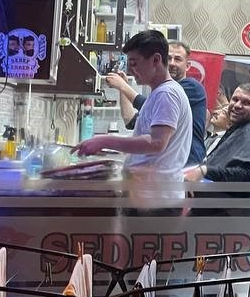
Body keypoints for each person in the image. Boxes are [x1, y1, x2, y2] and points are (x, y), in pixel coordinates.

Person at [76, 30, 191, 201]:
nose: (130, 70)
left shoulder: (167, 94)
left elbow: (156, 143)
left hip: (156, 199)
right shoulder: (159, 92)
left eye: (134, 63)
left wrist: (104, 141)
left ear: (156, 60)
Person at [183, 84, 250, 216]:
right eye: (235, 99)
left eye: (246, 103)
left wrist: (205, 171)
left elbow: (246, 177)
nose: (237, 105)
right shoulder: (240, 129)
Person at [105, 39, 206, 164]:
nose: (172, 63)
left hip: (187, 164)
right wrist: (122, 88)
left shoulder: (189, 87)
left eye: (178, 59)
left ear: (188, 65)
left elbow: (150, 106)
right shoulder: (161, 90)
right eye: (168, 58)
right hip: (165, 164)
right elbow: (130, 121)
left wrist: (123, 86)